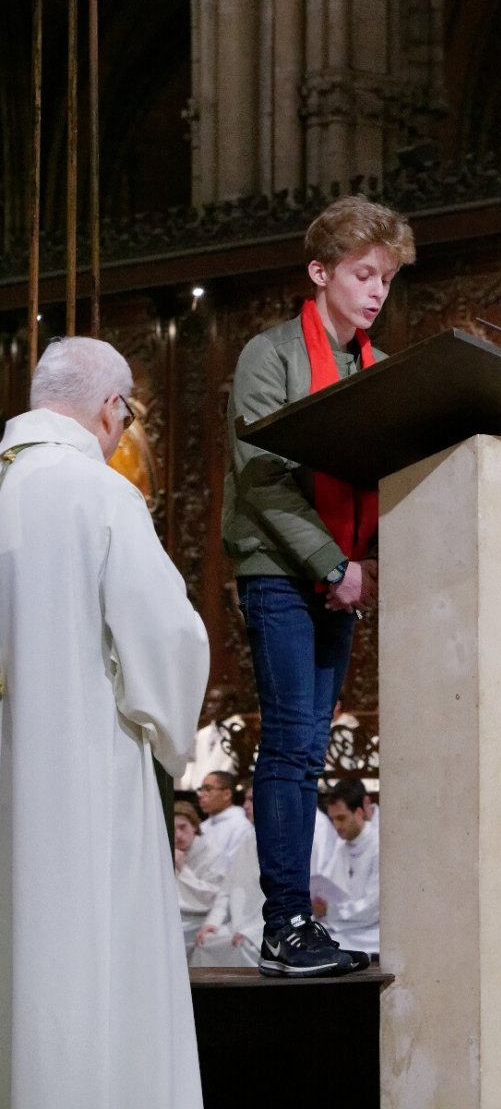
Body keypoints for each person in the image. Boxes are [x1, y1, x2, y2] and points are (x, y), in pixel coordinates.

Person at [0, 336, 210, 1109]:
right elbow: (168, 639)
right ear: (110, 409)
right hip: (87, 779)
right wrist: (168, 734)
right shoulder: (98, 492)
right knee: (91, 965)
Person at [222, 194, 415, 976]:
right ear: (320, 271)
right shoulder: (270, 355)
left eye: (387, 279)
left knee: (307, 747)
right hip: (283, 570)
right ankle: (284, 924)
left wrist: (363, 568)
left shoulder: (379, 368)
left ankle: (296, 927)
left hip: (347, 579)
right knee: (294, 749)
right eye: (363, 274)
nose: (376, 291)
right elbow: (262, 477)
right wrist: (332, 566)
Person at [192, 784, 264, 968]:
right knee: (204, 943)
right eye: (245, 800)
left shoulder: (284, 841)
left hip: (262, 927)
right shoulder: (249, 838)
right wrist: (213, 922)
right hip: (237, 924)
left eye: (251, 800)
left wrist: (254, 932)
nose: (245, 806)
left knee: (244, 948)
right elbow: (228, 887)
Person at [312, 779, 380, 959]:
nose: (337, 826)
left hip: (370, 934)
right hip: (344, 927)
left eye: (341, 818)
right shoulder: (341, 848)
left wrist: (330, 910)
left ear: (358, 812)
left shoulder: (379, 846)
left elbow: (375, 906)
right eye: (333, 819)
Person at [174, 800, 229, 956]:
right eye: (172, 829)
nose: (178, 835)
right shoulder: (168, 851)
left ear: (194, 826)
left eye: (183, 827)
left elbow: (212, 897)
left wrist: (183, 869)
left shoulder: (213, 853)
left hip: (203, 917)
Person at [176, 683, 242, 792]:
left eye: (214, 702)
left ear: (229, 705)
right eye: (208, 701)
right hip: (198, 794)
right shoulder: (202, 733)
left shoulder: (240, 732)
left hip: (224, 794)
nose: (209, 706)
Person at [196, 769, 253, 867]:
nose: (201, 795)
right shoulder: (202, 826)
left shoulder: (241, 826)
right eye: (201, 790)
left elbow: (233, 867)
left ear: (227, 794)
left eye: (208, 789)